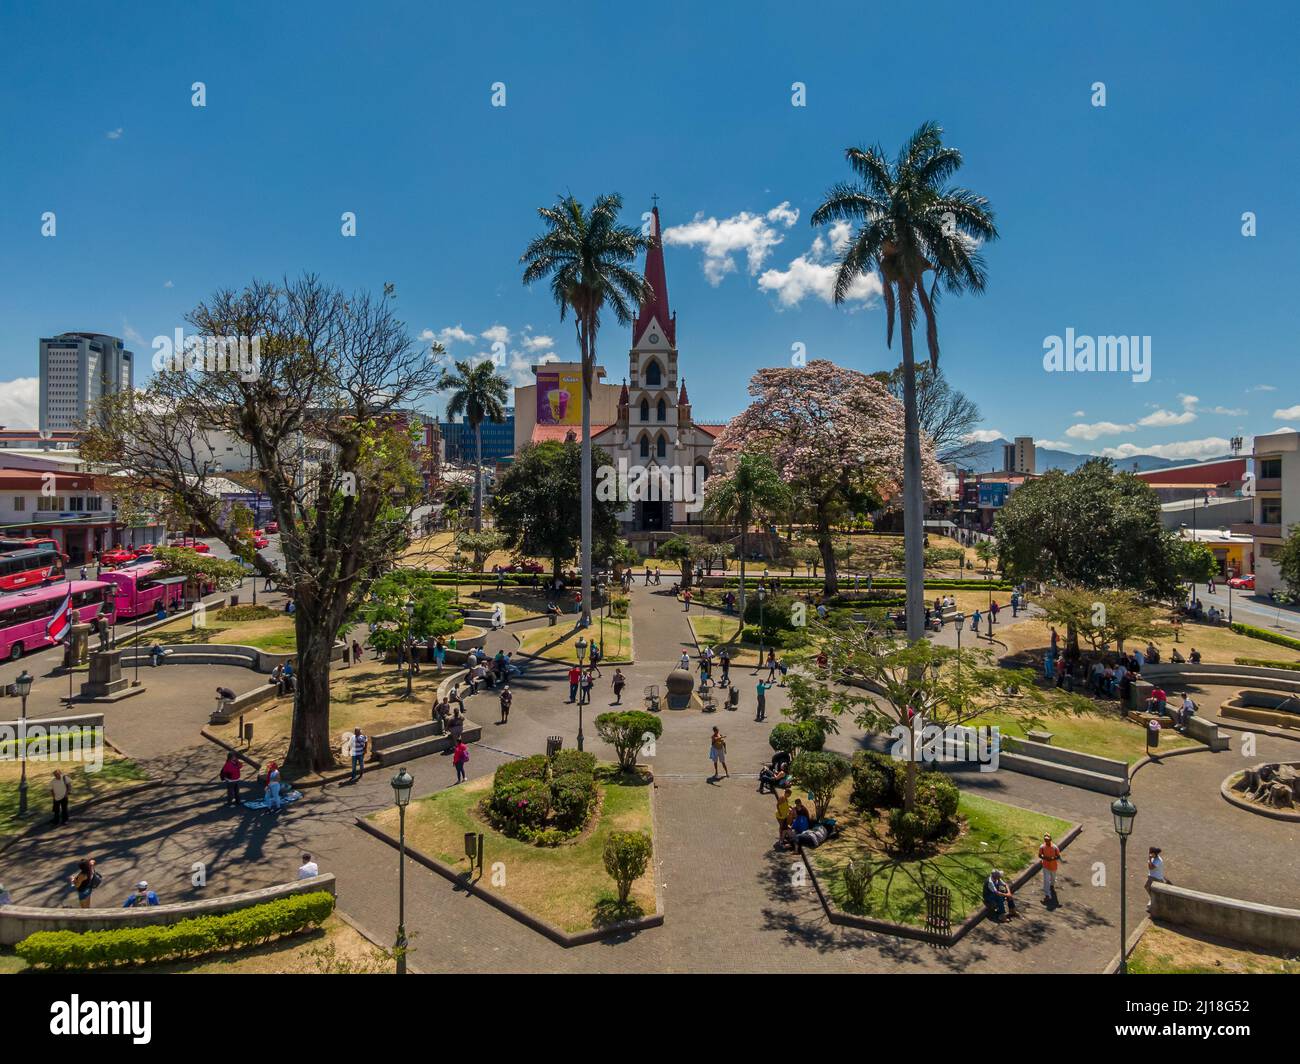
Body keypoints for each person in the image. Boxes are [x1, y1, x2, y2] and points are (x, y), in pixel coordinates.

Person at [1038, 833, 1062, 903]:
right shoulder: (1042, 847)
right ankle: (1047, 894)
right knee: (1046, 880)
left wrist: (1052, 858)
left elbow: (1058, 856)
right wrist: (1044, 857)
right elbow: (1039, 855)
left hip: (1053, 866)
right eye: (1045, 839)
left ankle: (1052, 885)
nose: (1046, 841)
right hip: (1045, 866)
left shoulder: (1055, 847)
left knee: (1053, 878)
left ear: (1050, 839)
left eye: (1047, 839)